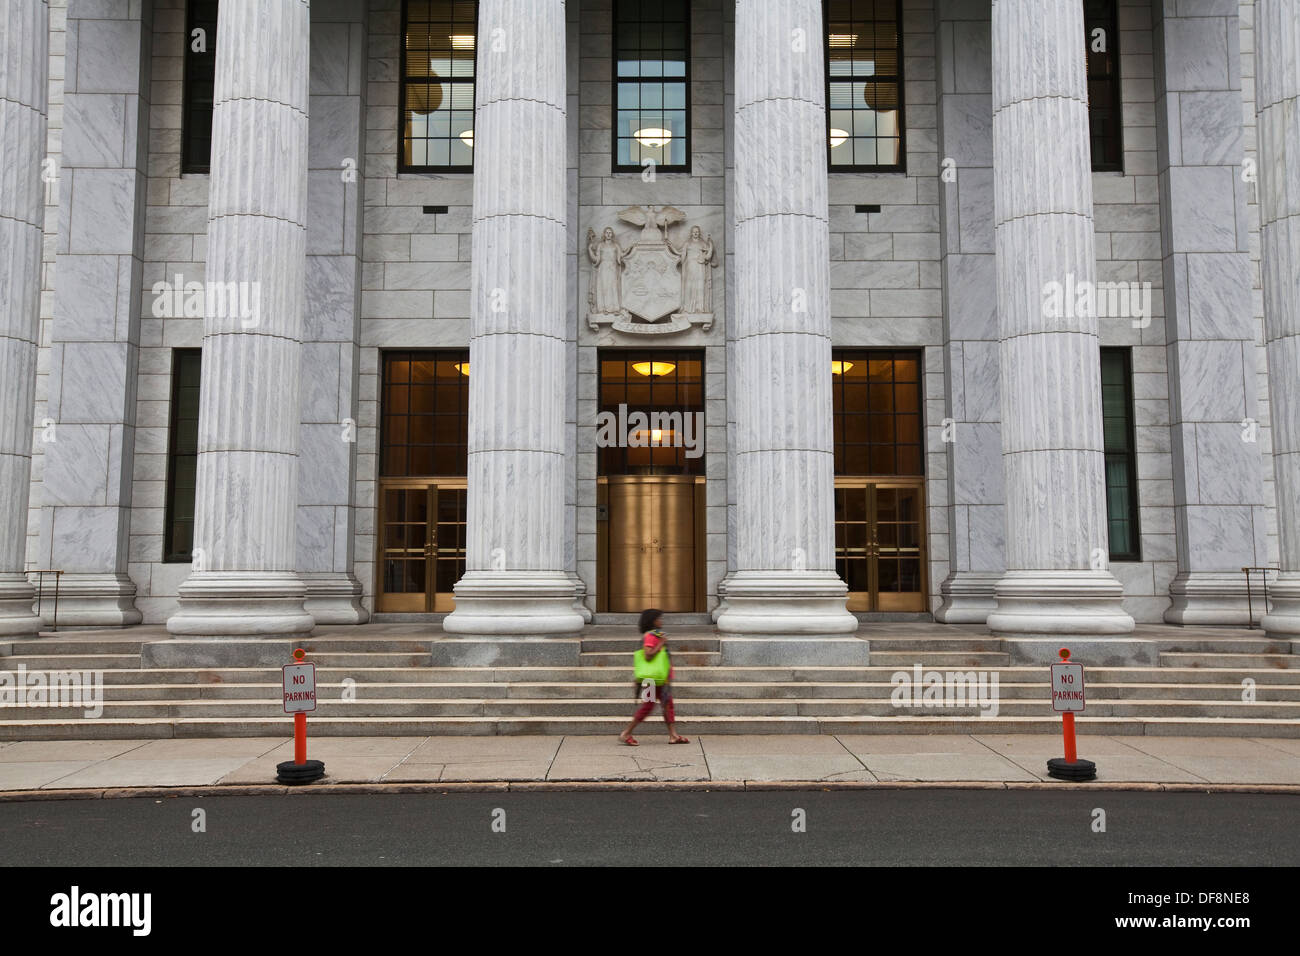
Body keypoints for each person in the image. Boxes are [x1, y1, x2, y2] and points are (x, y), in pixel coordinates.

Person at [619, 607, 690, 746]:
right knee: (648, 706)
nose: (661, 621)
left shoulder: (656, 635)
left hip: (661, 679)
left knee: (667, 705)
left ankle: (673, 735)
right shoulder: (651, 636)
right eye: (658, 618)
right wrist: (661, 644)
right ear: (652, 621)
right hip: (651, 680)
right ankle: (626, 733)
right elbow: (648, 654)